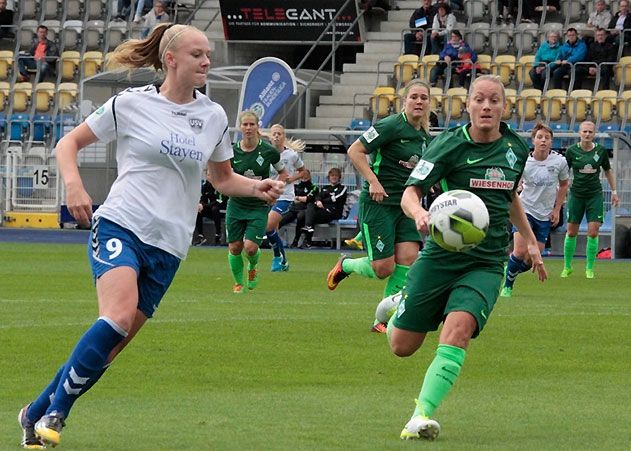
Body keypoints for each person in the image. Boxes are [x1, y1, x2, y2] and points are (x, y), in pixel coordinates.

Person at [17, 23, 284, 449]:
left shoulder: (213, 116)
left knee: (111, 347)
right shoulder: (130, 104)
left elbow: (222, 178)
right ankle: (57, 413)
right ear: (171, 59)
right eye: (197, 54)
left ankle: (33, 412)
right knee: (117, 318)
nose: (206, 61)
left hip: (170, 245)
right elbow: (68, 143)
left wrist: (256, 187)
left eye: (208, 54)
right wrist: (74, 186)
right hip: (122, 222)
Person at [389, 75, 546, 441]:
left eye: (494, 100)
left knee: (457, 331)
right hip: (440, 258)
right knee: (401, 346)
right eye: (479, 100)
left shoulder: (515, 149)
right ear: (468, 106)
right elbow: (410, 193)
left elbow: (508, 198)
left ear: (504, 107)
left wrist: (530, 240)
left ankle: (420, 415)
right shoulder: (447, 146)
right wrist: (419, 214)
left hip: (486, 263)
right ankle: (396, 305)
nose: (487, 106)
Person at [326, 79, 433, 332]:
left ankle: (382, 320)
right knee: (384, 268)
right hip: (379, 204)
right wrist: (373, 181)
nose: (419, 101)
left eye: (423, 98)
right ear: (404, 101)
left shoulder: (425, 137)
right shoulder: (390, 125)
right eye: (414, 97)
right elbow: (355, 150)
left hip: (405, 206)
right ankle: (346, 265)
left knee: (408, 259)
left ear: (429, 103)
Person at [500, 122, 570, 298]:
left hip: (544, 215)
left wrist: (557, 209)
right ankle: (507, 286)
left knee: (531, 260)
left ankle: (510, 268)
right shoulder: (525, 162)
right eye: (540, 137)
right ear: (533, 141)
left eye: (547, 137)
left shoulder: (559, 162)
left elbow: (563, 185)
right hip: (525, 211)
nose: (543, 140)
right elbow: (514, 183)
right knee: (520, 251)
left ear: (551, 142)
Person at [227, 110, 287, 293]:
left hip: (258, 206)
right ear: (240, 127)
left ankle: (252, 268)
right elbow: (225, 176)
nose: (248, 128)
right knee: (235, 247)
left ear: (257, 127)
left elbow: (283, 173)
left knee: (251, 248)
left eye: (251, 124)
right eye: (245, 124)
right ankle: (238, 283)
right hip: (236, 205)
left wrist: (276, 188)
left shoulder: (268, 151)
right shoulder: (232, 151)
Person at [561, 120, 619, 279]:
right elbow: (564, 173)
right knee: (571, 232)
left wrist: (614, 191)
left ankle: (589, 268)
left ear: (594, 134)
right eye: (584, 131)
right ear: (579, 133)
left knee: (593, 232)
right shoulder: (571, 151)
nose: (587, 134)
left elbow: (608, 171)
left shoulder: (600, 151)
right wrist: (560, 191)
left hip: (595, 195)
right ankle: (567, 267)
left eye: (590, 132)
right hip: (576, 195)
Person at [264, 123, 305, 272]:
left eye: (279, 134)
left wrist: (292, 178)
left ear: (283, 136)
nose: (276, 136)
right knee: (272, 230)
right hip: (269, 195)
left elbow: (303, 172)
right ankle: (283, 261)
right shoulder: (266, 154)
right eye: (274, 134)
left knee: (268, 226)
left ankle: (277, 259)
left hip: (285, 196)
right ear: (270, 137)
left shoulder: (292, 155)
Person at [299, 167, 347, 249]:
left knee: (309, 215)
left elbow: (336, 198)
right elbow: (318, 196)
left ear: (339, 177)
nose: (334, 177)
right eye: (332, 175)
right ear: (329, 177)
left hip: (333, 212)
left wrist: (323, 200)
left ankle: (307, 236)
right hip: (323, 210)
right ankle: (306, 236)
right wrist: (318, 201)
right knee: (303, 214)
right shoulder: (325, 188)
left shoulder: (342, 188)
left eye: (336, 175)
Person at [193, 178, 227, 246]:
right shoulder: (206, 185)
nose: (208, 176)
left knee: (215, 209)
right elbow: (203, 197)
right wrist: (201, 204)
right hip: (210, 208)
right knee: (199, 210)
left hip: (222, 209)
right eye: (207, 174)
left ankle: (218, 234)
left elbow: (219, 201)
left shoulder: (220, 184)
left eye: (210, 174)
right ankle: (201, 236)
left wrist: (205, 205)